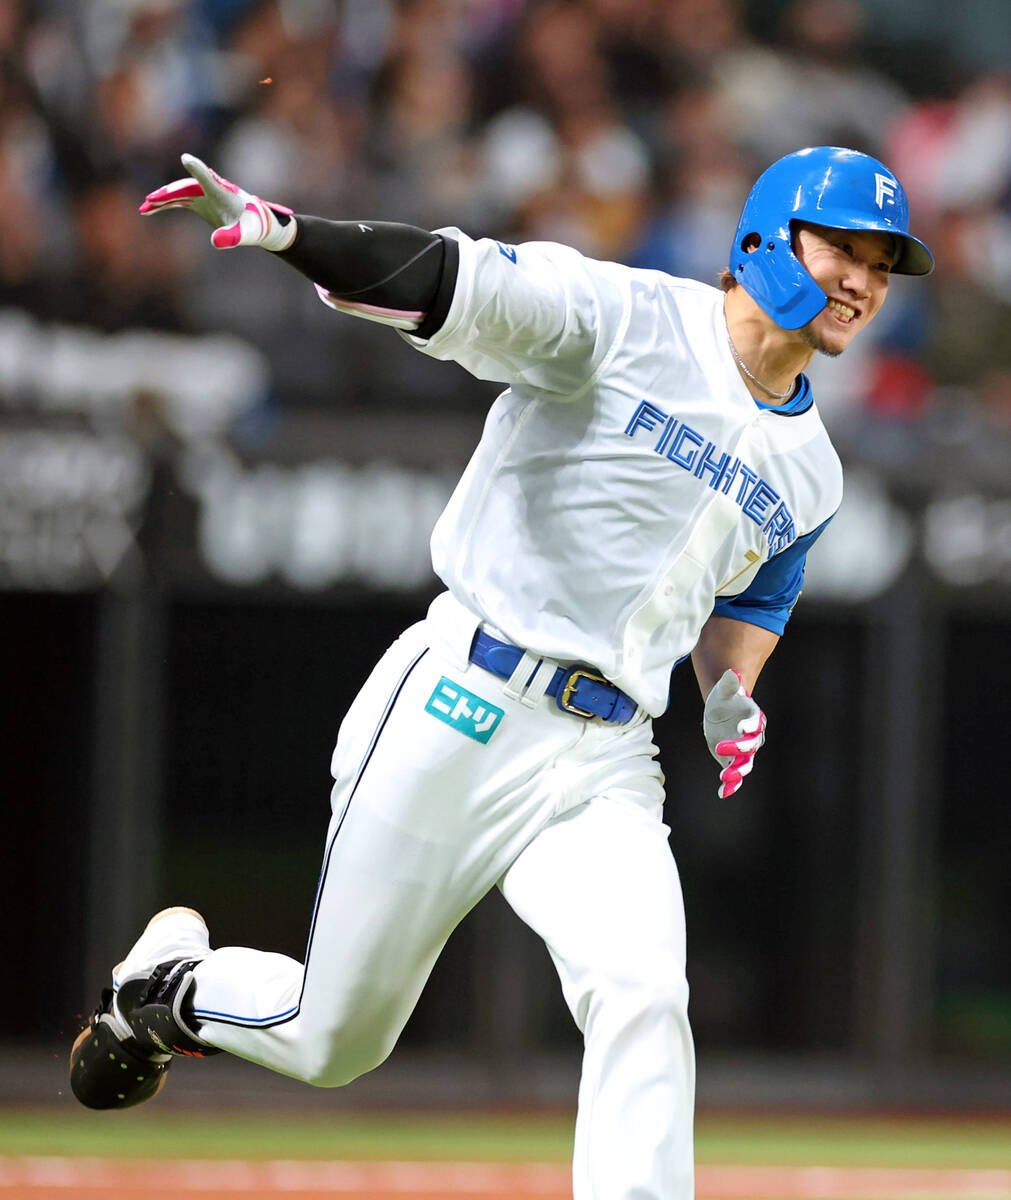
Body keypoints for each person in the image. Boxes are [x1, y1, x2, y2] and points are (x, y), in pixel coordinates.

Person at [70, 146, 932, 1198]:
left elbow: (755, 596)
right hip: (463, 698)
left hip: (605, 757)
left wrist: (729, 690)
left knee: (645, 991)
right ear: (762, 238)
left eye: (883, 263)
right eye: (843, 245)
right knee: (334, 1040)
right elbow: (446, 277)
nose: (862, 280)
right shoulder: (620, 316)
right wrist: (292, 234)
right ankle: (172, 987)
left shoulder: (815, 469)